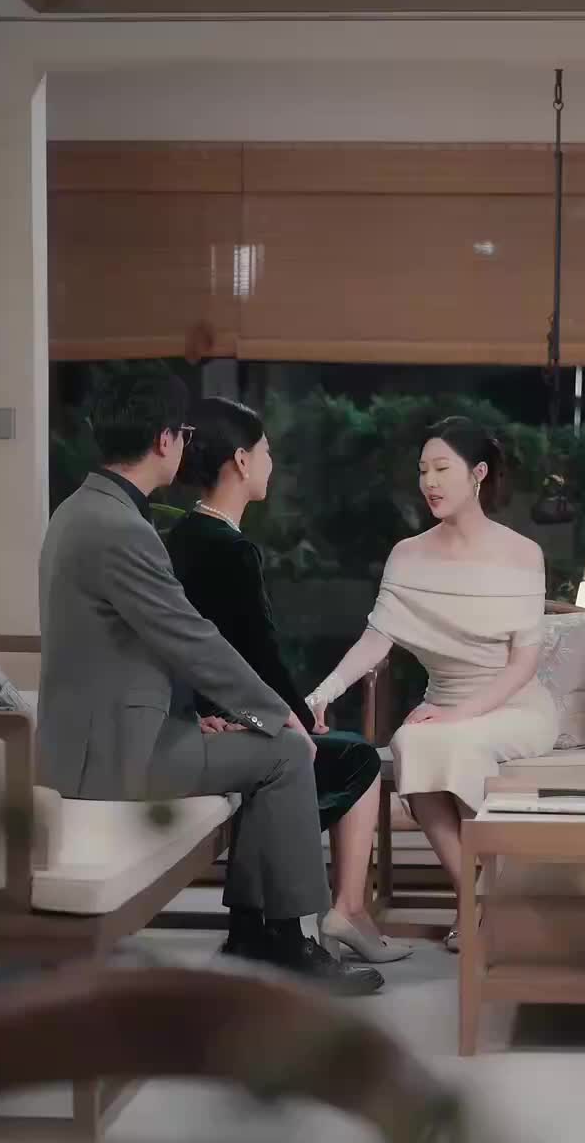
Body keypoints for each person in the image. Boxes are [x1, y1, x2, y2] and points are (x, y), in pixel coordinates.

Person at [37, 365, 382, 996]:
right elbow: (192, 638)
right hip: (116, 756)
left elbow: (139, 645)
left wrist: (200, 715)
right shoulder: (120, 528)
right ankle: (286, 942)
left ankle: (259, 933)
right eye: (183, 432)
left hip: (107, 736)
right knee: (285, 752)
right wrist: (275, 714)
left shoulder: (81, 511)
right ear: (165, 439)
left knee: (271, 748)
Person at [164, 398, 410, 967]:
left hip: (212, 712)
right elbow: (258, 656)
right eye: (267, 451)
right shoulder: (230, 549)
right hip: (234, 718)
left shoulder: (181, 537)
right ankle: (303, 920)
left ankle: (261, 923)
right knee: (355, 759)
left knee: (327, 753)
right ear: (241, 461)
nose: (271, 464)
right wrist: (294, 719)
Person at [306, 418, 557, 950]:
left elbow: (523, 665)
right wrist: (322, 693)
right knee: (411, 740)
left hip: (515, 706)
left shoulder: (522, 554)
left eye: (442, 469)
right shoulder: (408, 554)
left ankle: (482, 907)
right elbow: (376, 640)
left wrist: (459, 714)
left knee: (450, 741)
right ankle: (480, 903)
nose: (429, 482)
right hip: (440, 708)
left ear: (478, 474)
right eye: (423, 471)